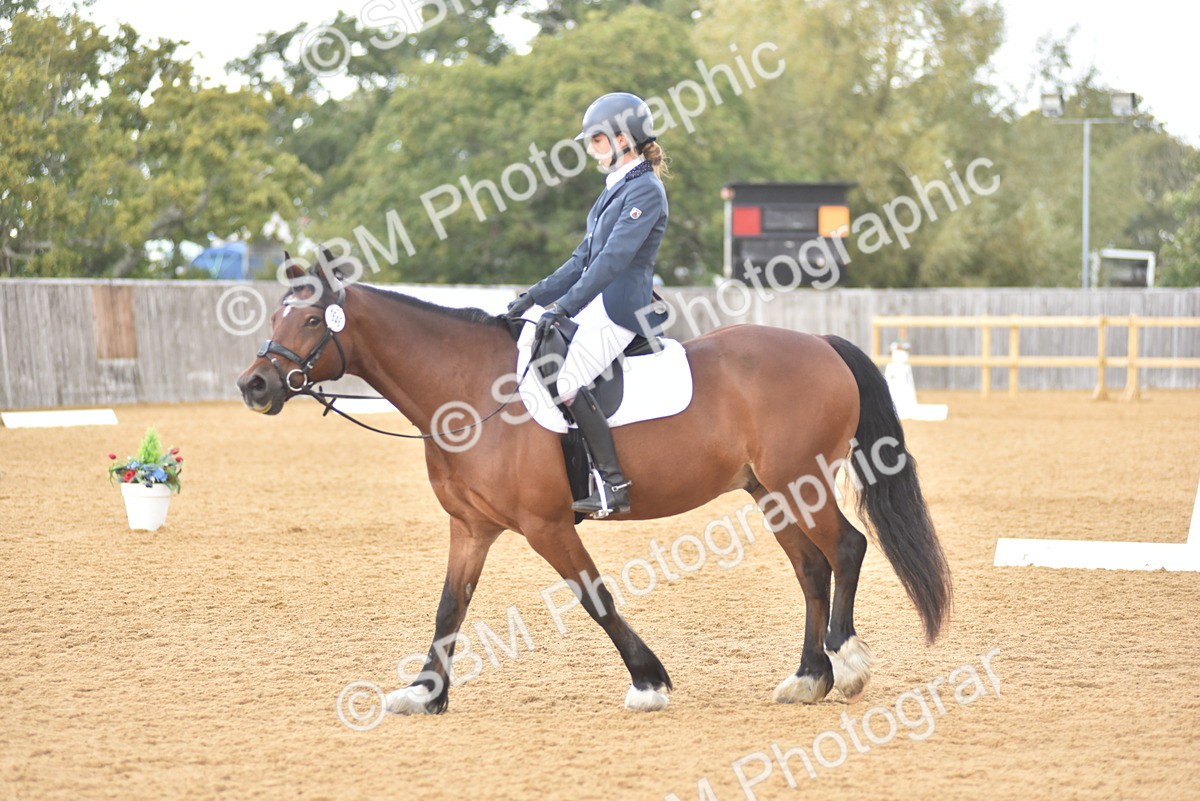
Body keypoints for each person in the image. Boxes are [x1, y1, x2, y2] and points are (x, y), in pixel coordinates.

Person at [505, 91, 670, 518]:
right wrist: (535, 296)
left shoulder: (645, 191)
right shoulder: (614, 189)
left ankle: (614, 484)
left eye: (597, 139)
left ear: (624, 140)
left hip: (621, 308)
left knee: (567, 379)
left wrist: (563, 307)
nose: (590, 147)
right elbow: (582, 259)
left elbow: (612, 262)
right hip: (597, 301)